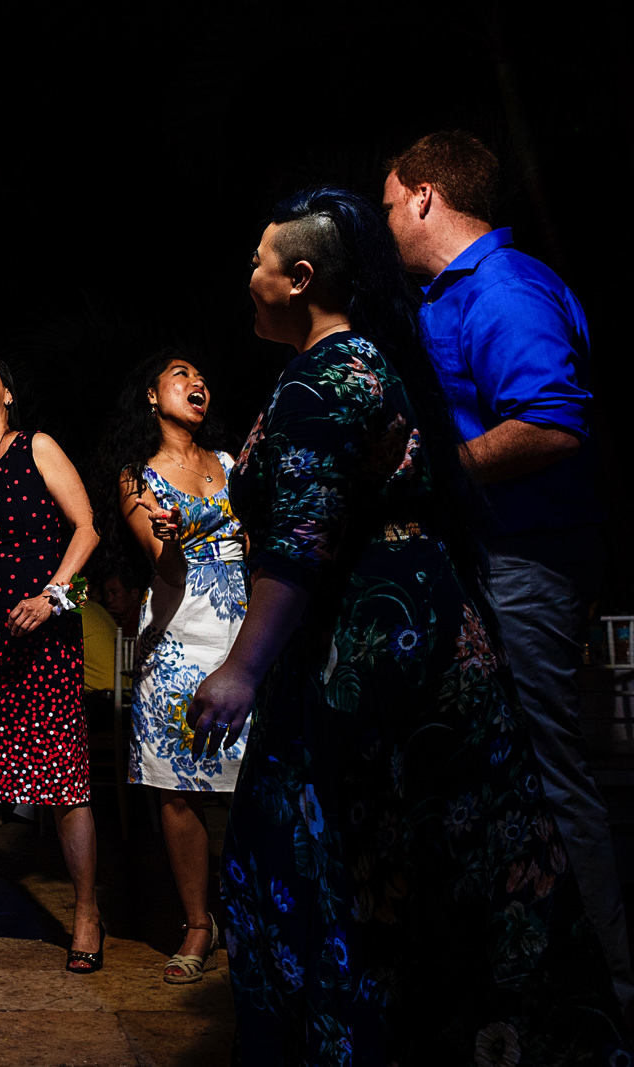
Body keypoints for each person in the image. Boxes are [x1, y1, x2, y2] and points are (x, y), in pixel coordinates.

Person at [189, 186, 624, 1063]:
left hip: (371, 637)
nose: (248, 277)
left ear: (300, 277)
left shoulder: (326, 376)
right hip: (407, 625)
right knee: (424, 847)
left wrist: (239, 668)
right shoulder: (365, 362)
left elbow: (303, 540)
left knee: (322, 851)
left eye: (258, 262)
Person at [382, 130, 631, 1008]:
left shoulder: (506, 287)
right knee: (495, 769)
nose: (385, 223)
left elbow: (553, 423)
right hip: (494, 562)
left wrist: (430, 479)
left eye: (387, 204)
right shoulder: (449, 295)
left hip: (529, 562)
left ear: (423, 197)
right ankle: (522, 975)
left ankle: (610, 988)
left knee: (545, 765)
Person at [0, 352, 102, 973]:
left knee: (63, 778)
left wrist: (53, 596)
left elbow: (87, 529)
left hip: (48, 632)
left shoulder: (37, 447)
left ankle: (87, 913)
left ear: (6, 393)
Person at [103, 350, 246, 984]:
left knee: (254, 784)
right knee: (178, 788)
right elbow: (163, 566)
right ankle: (197, 922)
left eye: (202, 374)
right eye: (181, 373)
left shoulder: (234, 464)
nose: (198, 382)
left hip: (248, 637)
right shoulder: (137, 478)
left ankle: (248, 914)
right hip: (179, 639)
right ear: (152, 396)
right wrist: (174, 539)